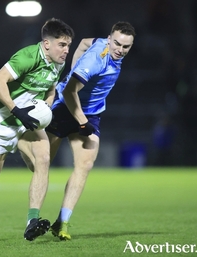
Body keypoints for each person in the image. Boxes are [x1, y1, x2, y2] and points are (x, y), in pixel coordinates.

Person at [0, 18, 75, 241]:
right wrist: (16, 110)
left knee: (43, 161)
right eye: (62, 45)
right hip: (4, 121)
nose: (67, 50)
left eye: (68, 45)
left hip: (28, 122)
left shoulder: (58, 61)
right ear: (46, 43)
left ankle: (32, 221)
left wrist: (46, 107)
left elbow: (51, 87)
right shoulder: (27, 56)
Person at [45, 21, 136, 240]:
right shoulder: (98, 59)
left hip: (89, 113)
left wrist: (75, 67)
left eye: (126, 47)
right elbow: (69, 92)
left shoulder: (100, 45)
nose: (120, 50)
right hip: (64, 108)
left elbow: (85, 42)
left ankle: (62, 222)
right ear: (109, 38)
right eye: (116, 44)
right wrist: (82, 122)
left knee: (85, 164)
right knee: (39, 163)